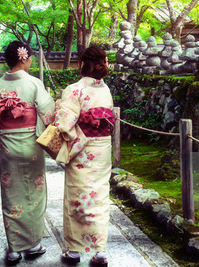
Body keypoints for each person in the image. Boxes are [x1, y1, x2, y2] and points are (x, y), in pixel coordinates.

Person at [0, 40, 56, 264]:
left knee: (11, 194)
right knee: (34, 193)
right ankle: (34, 244)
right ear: (24, 58)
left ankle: (14, 248)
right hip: (32, 146)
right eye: (31, 57)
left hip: (8, 146)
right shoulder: (35, 84)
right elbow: (48, 115)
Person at [55, 46, 114, 266]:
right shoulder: (105, 89)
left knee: (78, 196)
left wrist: (73, 138)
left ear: (82, 64)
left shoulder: (74, 89)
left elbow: (64, 124)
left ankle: (74, 250)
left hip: (82, 150)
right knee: (99, 198)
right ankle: (100, 252)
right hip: (102, 149)